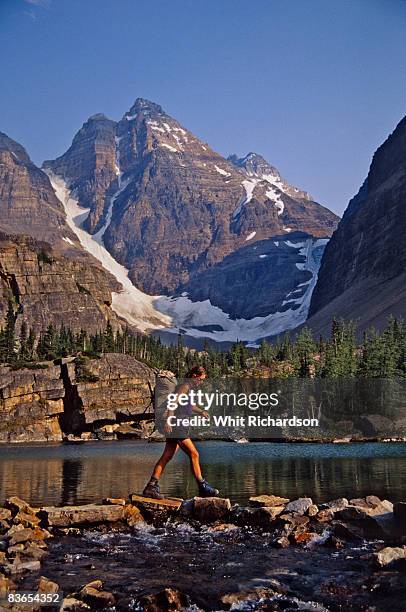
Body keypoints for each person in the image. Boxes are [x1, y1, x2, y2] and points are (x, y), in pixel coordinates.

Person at [143, 365, 219, 499]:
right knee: (194, 454)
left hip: (179, 424)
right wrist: (169, 420)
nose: (201, 382)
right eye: (201, 379)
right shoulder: (185, 386)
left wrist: (201, 412)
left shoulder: (189, 388)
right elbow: (173, 402)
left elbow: (189, 405)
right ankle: (202, 487)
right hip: (177, 424)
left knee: (167, 456)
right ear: (195, 376)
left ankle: (151, 486)